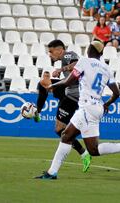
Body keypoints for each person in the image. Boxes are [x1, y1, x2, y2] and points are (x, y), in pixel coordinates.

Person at [35, 41, 120, 180]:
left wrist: (52, 86)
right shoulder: (106, 69)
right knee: (78, 142)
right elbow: (116, 93)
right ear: (100, 53)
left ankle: (52, 173)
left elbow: (68, 81)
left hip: (87, 108)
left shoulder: (84, 61)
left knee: (78, 142)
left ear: (88, 50)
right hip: (96, 107)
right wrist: (107, 104)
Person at [35, 40, 92, 173]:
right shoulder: (64, 59)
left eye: (51, 51)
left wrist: (62, 69)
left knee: (60, 130)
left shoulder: (67, 55)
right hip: (68, 90)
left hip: (73, 95)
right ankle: (37, 112)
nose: (49, 54)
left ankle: (84, 154)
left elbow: (78, 63)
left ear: (59, 50)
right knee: (43, 84)